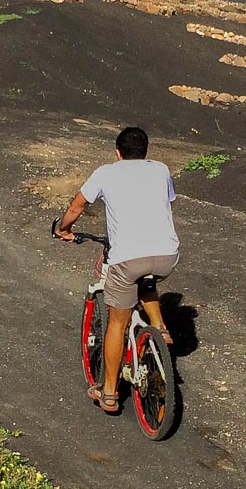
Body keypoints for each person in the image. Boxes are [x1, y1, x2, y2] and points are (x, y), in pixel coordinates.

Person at [55, 125, 179, 414]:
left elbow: (77, 206)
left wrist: (64, 229)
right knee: (147, 278)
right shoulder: (160, 169)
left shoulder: (106, 172)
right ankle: (160, 328)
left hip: (126, 260)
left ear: (117, 153)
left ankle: (109, 393)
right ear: (146, 151)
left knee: (117, 323)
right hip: (167, 256)